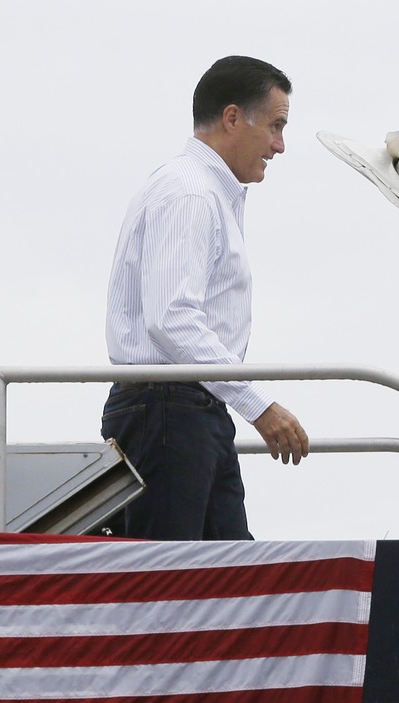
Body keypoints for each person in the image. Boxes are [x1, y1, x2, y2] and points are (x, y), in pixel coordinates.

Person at [101, 55, 309, 541]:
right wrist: (259, 405)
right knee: (175, 586)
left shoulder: (199, 191)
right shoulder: (191, 193)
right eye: (276, 126)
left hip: (186, 408)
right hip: (170, 409)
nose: (280, 146)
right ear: (233, 117)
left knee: (222, 581)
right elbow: (171, 318)